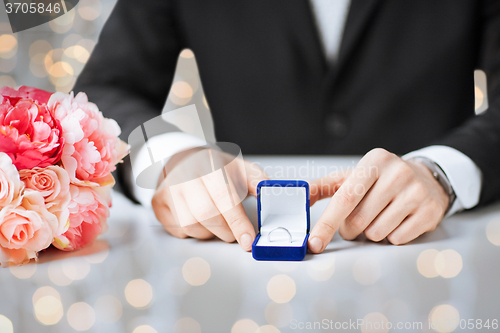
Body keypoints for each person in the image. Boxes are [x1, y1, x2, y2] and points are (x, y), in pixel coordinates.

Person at [74, 0, 500, 254]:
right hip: (238, 267)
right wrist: (168, 157)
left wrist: (443, 173)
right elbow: (107, 88)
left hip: (438, 257)